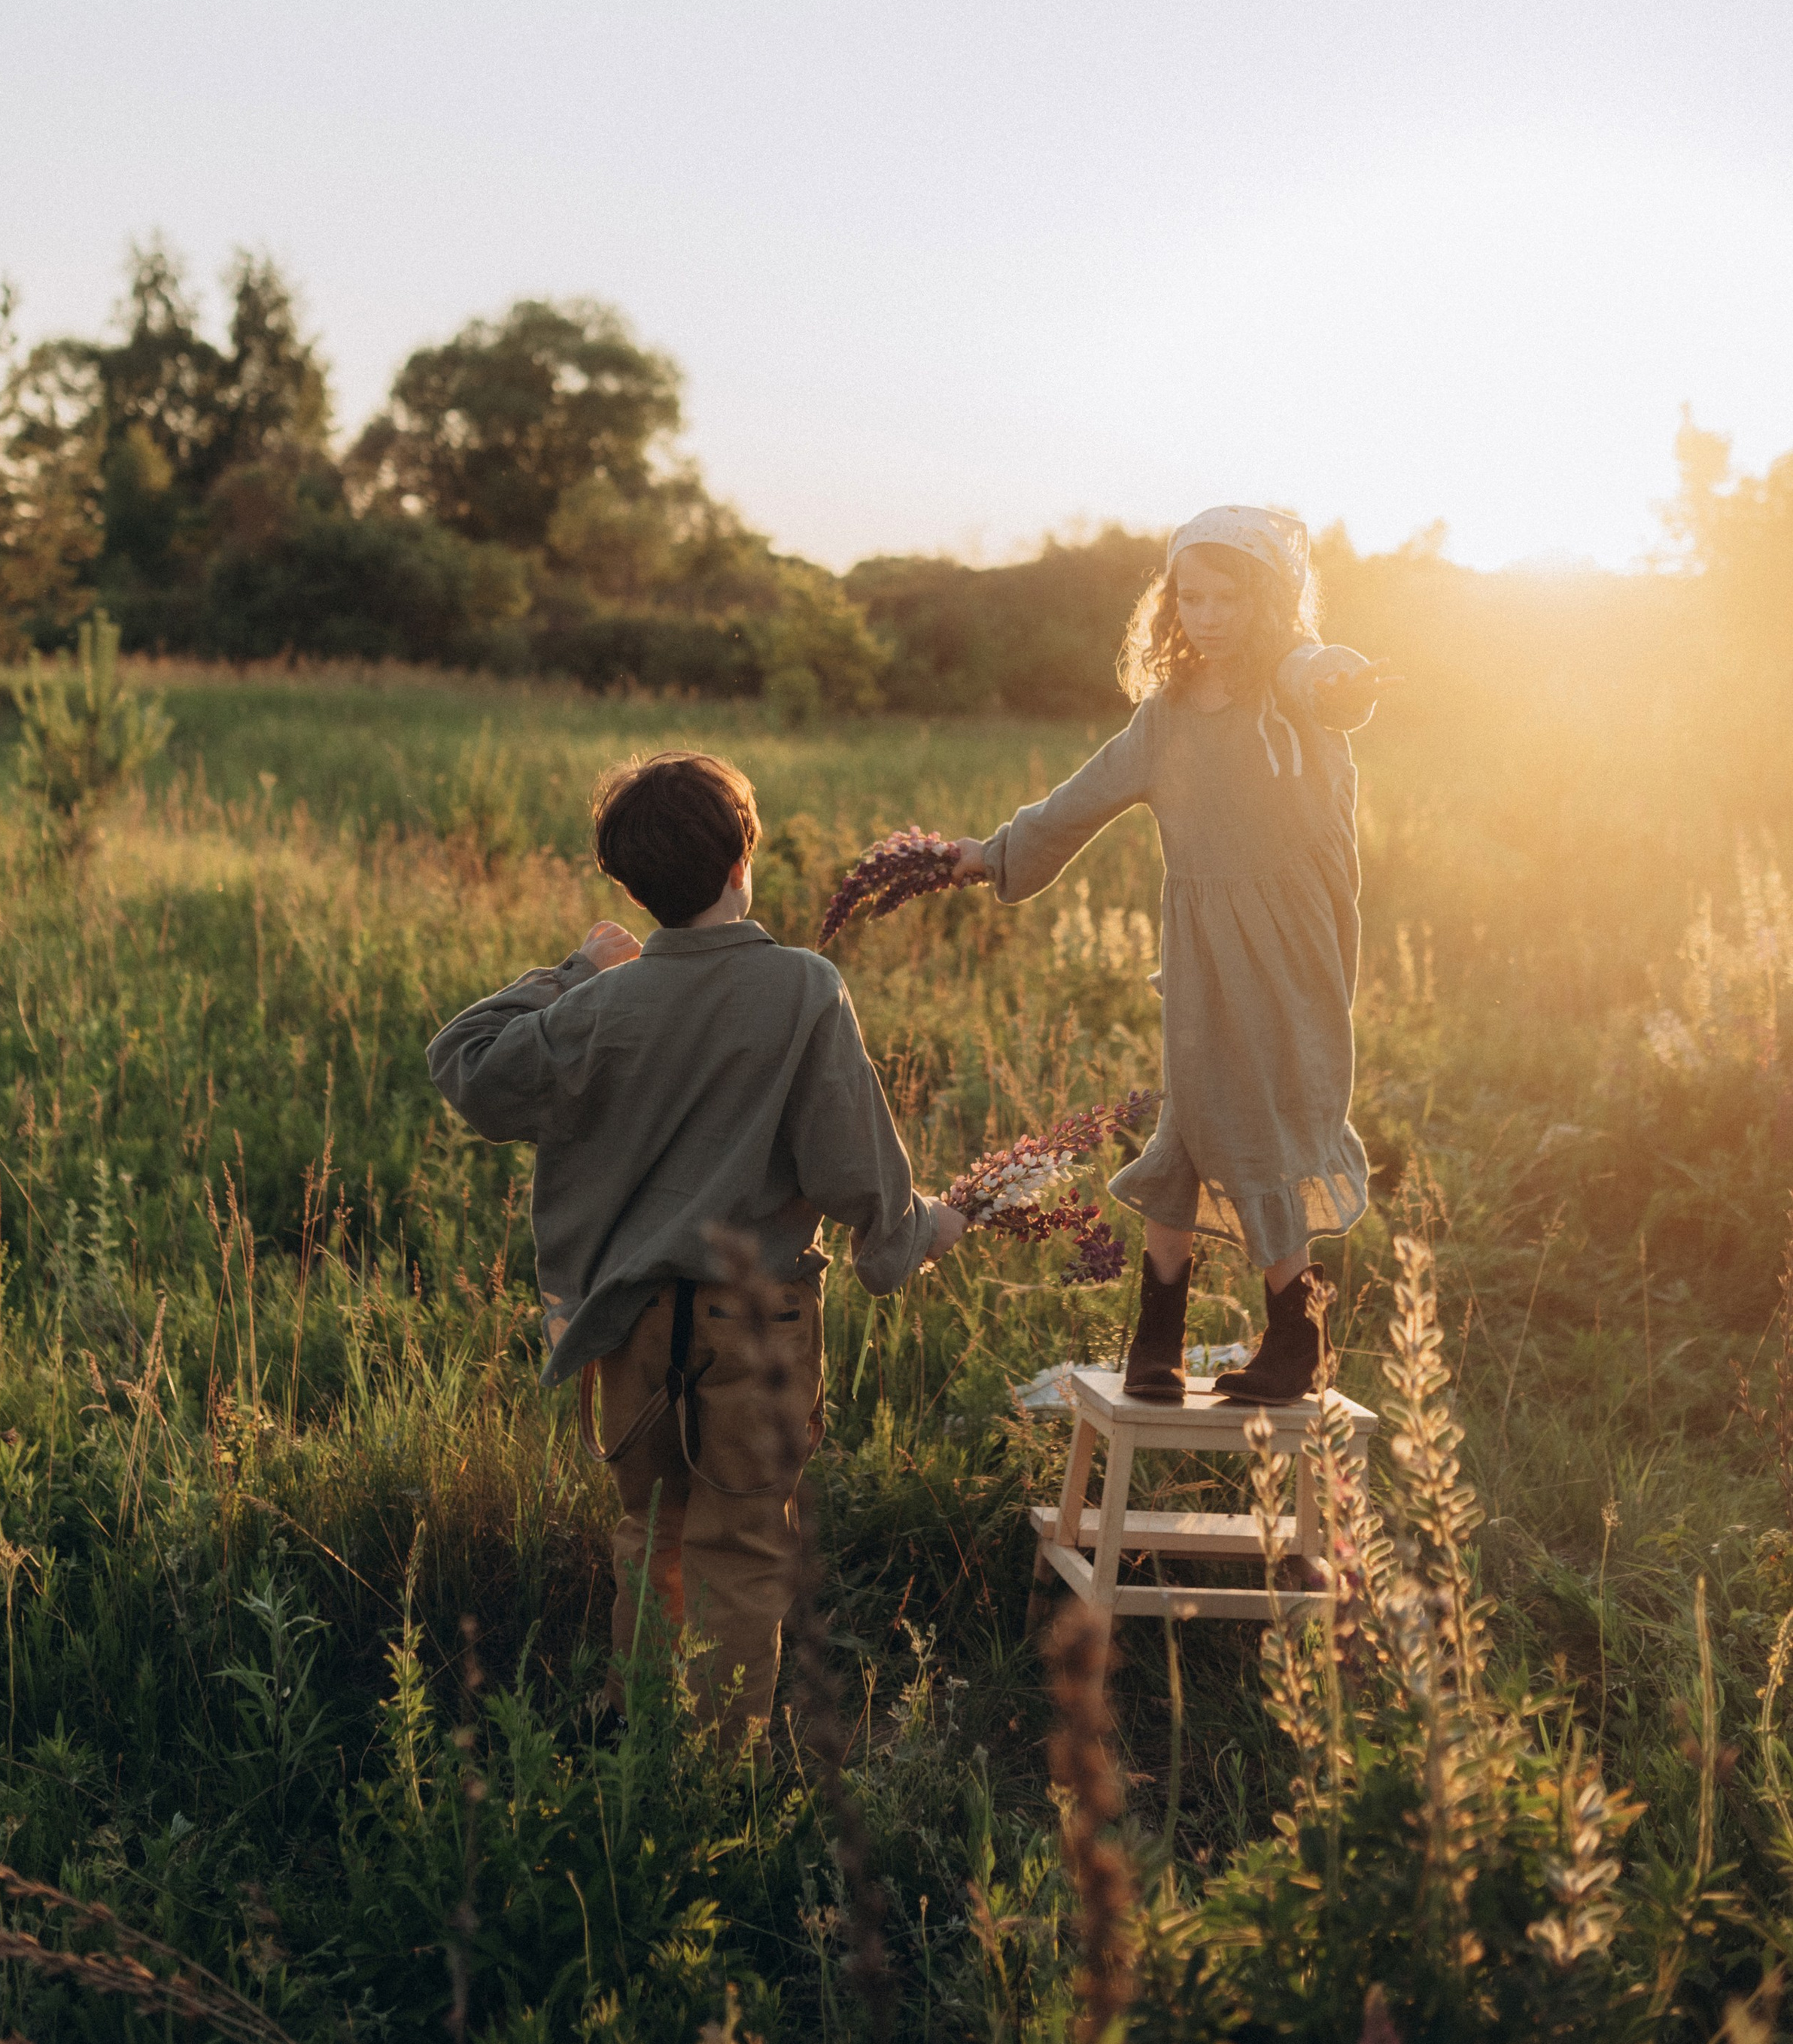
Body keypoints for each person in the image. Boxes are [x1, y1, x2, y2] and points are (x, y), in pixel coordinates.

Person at [426, 750, 964, 1742]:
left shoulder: (594, 1008)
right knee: (744, 1550)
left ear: (630, 886)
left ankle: (642, 1743)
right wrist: (924, 1230)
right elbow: (857, 1173)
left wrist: (575, 970)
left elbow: (464, 1065)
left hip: (627, 1327)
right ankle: (715, 1780)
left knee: (649, 1534)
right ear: (742, 859)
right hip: (755, 1328)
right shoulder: (804, 990)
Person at [948, 507, 1397, 1406]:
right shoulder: (1165, 720)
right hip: (1202, 950)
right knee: (1190, 1122)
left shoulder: (1292, 690)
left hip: (1288, 950)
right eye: (1190, 595)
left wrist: (1340, 673)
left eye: (1230, 596)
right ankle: (1156, 1340)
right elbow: (1081, 799)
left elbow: (1328, 678)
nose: (1208, 613)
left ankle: (1294, 1336)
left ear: (1269, 602)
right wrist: (993, 853)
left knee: (1259, 1122)